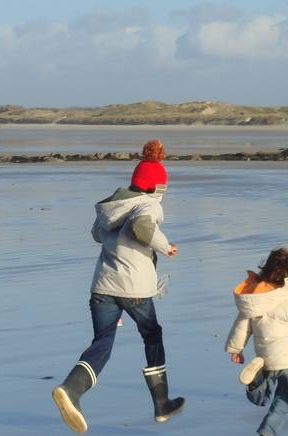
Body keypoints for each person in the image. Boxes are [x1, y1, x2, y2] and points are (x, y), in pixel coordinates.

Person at [52, 140, 184, 433]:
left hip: (102, 287)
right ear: (156, 188)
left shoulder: (113, 206)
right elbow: (143, 228)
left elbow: (96, 234)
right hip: (134, 289)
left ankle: (71, 389)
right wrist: (165, 246)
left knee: (103, 342)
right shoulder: (148, 204)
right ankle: (161, 403)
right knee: (152, 335)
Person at [226, 248, 288, 436]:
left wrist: (236, 348)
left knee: (261, 399)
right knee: (284, 401)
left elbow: (242, 324)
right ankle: (268, 431)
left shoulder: (256, 298)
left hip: (264, 357)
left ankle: (254, 383)